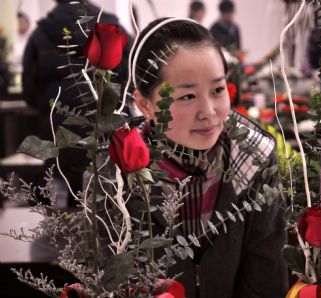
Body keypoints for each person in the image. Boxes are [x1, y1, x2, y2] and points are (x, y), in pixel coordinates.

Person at [132, 17, 288, 298]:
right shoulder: (116, 174)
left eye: (217, 90)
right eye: (187, 97)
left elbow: (266, 279)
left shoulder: (255, 159)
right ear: (145, 105)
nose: (209, 111)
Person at [22, 0, 130, 206]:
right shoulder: (111, 27)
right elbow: (130, 77)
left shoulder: (41, 34)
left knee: (64, 201)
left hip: (58, 132)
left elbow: (29, 89)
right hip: (106, 131)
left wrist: (50, 108)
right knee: (111, 202)